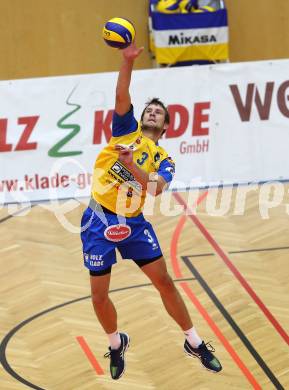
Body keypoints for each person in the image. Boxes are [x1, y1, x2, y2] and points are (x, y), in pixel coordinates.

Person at [80, 42, 222, 380]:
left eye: (159, 112)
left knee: (165, 282)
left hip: (133, 223)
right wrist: (127, 60)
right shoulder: (124, 132)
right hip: (99, 219)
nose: (152, 112)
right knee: (99, 297)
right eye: (149, 110)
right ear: (140, 117)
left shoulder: (165, 159)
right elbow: (121, 94)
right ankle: (116, 344)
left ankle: (194, 341)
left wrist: (133, 168)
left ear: (166, 126)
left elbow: (156, 188)